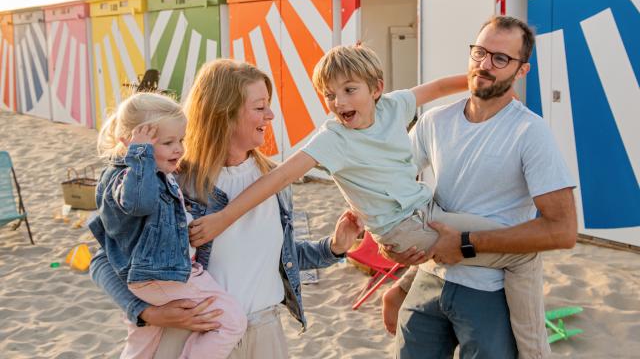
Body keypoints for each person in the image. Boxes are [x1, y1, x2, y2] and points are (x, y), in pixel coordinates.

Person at [188, 44, 551, 357]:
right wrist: (223, 219)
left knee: (511, 235)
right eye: (329, 95)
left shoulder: (393, 107)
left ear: (376, 89)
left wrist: (492, 89)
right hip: (401, 229)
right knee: (523, 250)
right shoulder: (332, 139)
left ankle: (398, 291)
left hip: (427, 212)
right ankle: (535, 354)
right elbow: (277, 178)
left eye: (348, 90)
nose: (338, 102)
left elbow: (440, 86)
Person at [90, 60, 362, 359]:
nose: (270, 115)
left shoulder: (275, 181)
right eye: (260, 107)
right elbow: (104, 259)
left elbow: (276, 257)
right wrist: (145, 312)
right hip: (194, 337)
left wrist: (333, 248)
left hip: (265, 333)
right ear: (224, 114)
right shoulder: (172, 179)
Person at [382, 15, 578, 359]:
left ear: (521, 71)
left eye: (500, 58)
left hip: (489, 289)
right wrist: (391, 248)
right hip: (429, 277)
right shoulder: (435, 121)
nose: (485, 65)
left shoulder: (530, 133)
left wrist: (466, 244)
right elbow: (389, 187)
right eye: (479, 52)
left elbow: (562, 230)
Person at [89, 92, 247, 358]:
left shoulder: (157, 173)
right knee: (232, 321)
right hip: (162, 276)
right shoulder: (130, 177)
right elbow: (140, 203)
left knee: (143, 340)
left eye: (181, 140)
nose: (179, 149)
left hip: (148, 277)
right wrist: (140, 156)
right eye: (167, 142)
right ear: (130, 145)